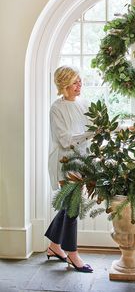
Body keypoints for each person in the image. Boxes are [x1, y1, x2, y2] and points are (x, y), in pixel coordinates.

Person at [44, 65, 93, 273]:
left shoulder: (84, 104)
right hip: (65, 161)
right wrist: (89, 134)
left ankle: (55, 247)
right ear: (64, 85)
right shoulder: (57, 108)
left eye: (80, 80)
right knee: (72, 207)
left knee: (67, 205)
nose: (79, 84)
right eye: (75, 81)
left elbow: (96, 128)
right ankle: (72, 254)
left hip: (82, 160)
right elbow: (65, 140)